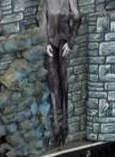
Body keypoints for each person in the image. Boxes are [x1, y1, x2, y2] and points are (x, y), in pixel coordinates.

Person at [38, 0, 81, 145]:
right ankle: (57, 129)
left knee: (64, 85)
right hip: (51, 45)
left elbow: (77, 17)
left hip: (64, 43)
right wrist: (45, 43)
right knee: (54, 87)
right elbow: (41, 18)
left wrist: (71, 42)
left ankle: (65, 128)